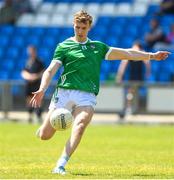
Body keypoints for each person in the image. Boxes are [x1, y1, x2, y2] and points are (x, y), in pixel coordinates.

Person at [30, 10, 170, 175]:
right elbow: (50, 70)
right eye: (77, 27)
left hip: (86, 95)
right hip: (64, 92)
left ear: (89, 27)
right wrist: (42, 89)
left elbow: (127, 53)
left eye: (83, 27)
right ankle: (42, 129)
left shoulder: (98, 47)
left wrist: (152, 56)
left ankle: (60, 164)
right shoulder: (64, 46)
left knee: (80, 125)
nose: (80, 31)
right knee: (45, 136)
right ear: (73, 26)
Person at [116, 41, 151, 118]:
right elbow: (147, 63)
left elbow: (123, 65)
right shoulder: (140, 53)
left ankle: (131, 109)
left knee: (132, 93)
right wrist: (148, 72)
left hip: (134, 77)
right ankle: (132, 109)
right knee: (133, 93)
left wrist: (120, 75)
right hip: (136, 77)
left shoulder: (133, 53)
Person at [21, 45, 45, 123]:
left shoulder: (40, 62)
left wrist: (35, 76)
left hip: (37, 84)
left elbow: (43, 72)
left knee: (38, 101)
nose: (30, 52)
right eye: (29, 51)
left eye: (32, 51)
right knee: (29, 101)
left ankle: (39, 117)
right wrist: (28, 76)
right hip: (28, 84)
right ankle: (30, 117)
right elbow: (23, 72)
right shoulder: (27, 61)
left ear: (35, 51)